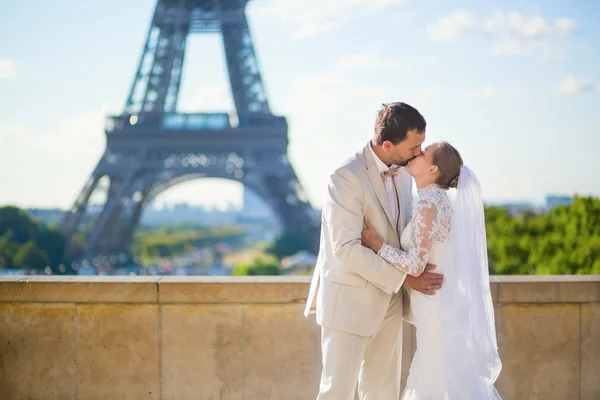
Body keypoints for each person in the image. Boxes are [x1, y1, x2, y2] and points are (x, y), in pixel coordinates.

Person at [304, 102, 444, 399]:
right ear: (388, 144)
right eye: (414, 147)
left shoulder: (406, 173)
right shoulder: (344, 177)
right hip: (348, 304)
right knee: (337, 393)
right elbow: (345, 248)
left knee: (384, 394)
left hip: (391, 304)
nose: (420, 153)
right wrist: (405, 278)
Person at [361, 141, 502, 399]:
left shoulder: (429, 204)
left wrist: (377, 245)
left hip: (435, 307)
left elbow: (415, 265)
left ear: (433, 169)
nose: (417, 152)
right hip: (441, 304)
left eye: (423, 153)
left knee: (435, 376)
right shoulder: (439, 201)